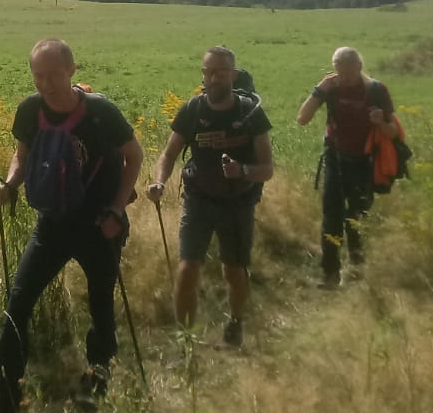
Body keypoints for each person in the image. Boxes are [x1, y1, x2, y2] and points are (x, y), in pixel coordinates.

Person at [0, 38, 143, 413]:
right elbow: (22, 155)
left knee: (100, 301)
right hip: (52, 223)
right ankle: (5, 396)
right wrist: (9, 186)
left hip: (99, 224)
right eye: (38, 76)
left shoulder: (100, 112)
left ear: (71, 71)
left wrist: (117, 209)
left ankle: (97, 376)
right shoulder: (30, 110)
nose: (45, 84)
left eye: (53, 75)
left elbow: (133, 156)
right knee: (18, 303)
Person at [146, 46, 273, 346]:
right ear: (203, 74)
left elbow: (267, 168)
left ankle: (236, 322)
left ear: (233, 74)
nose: (214, 78)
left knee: (234, 270)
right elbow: (169, 154)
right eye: (209, 72)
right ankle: (186, 341)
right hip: (198, 200)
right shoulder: (193, 110)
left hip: (237, 203)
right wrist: (159, 182)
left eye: (221, 72)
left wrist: (242, 171)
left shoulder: (250, 113)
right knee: (188, 268)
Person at [295, 46, 396, 289]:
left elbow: (393, 132)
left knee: (357, 217)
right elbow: (302, 119)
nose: (345, 78)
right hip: (336, 159)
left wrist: (380, 122)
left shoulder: (376, 90)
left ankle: (357, 270)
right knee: (332, 217)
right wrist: (319, 90)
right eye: (340, 72)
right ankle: (330, 274)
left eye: (349, 73)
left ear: (359, 67)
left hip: (364, 161)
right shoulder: (330, 87)